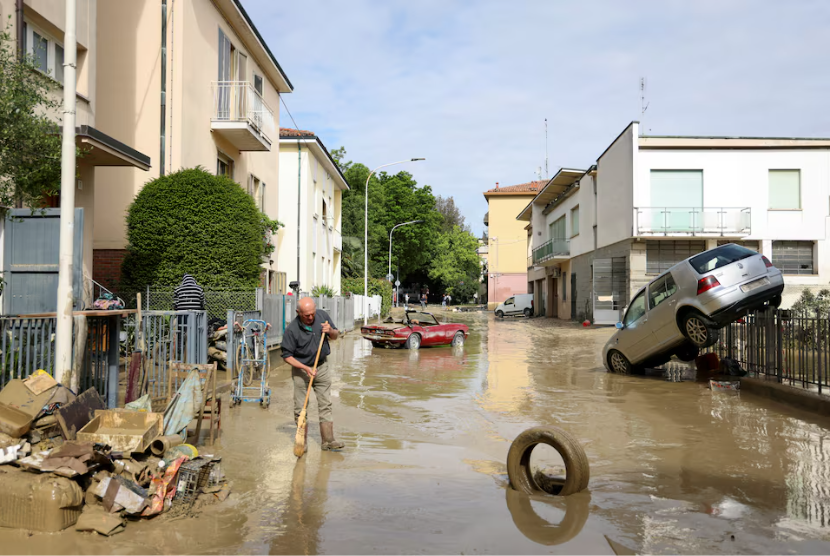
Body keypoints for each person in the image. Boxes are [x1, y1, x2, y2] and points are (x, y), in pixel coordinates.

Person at [281, 297, 344, 452]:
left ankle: (328, 441)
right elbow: (287, 356)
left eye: (312, 314)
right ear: (298, 313)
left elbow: (336, 336)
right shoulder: (292, 330)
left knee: (325, 404)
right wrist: (305, 368)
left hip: (321, 367)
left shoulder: (322, 316)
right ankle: (302, 442)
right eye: (306, 315)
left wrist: (330, 331)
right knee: (301, 407)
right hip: (301, 371)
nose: (310, 317)